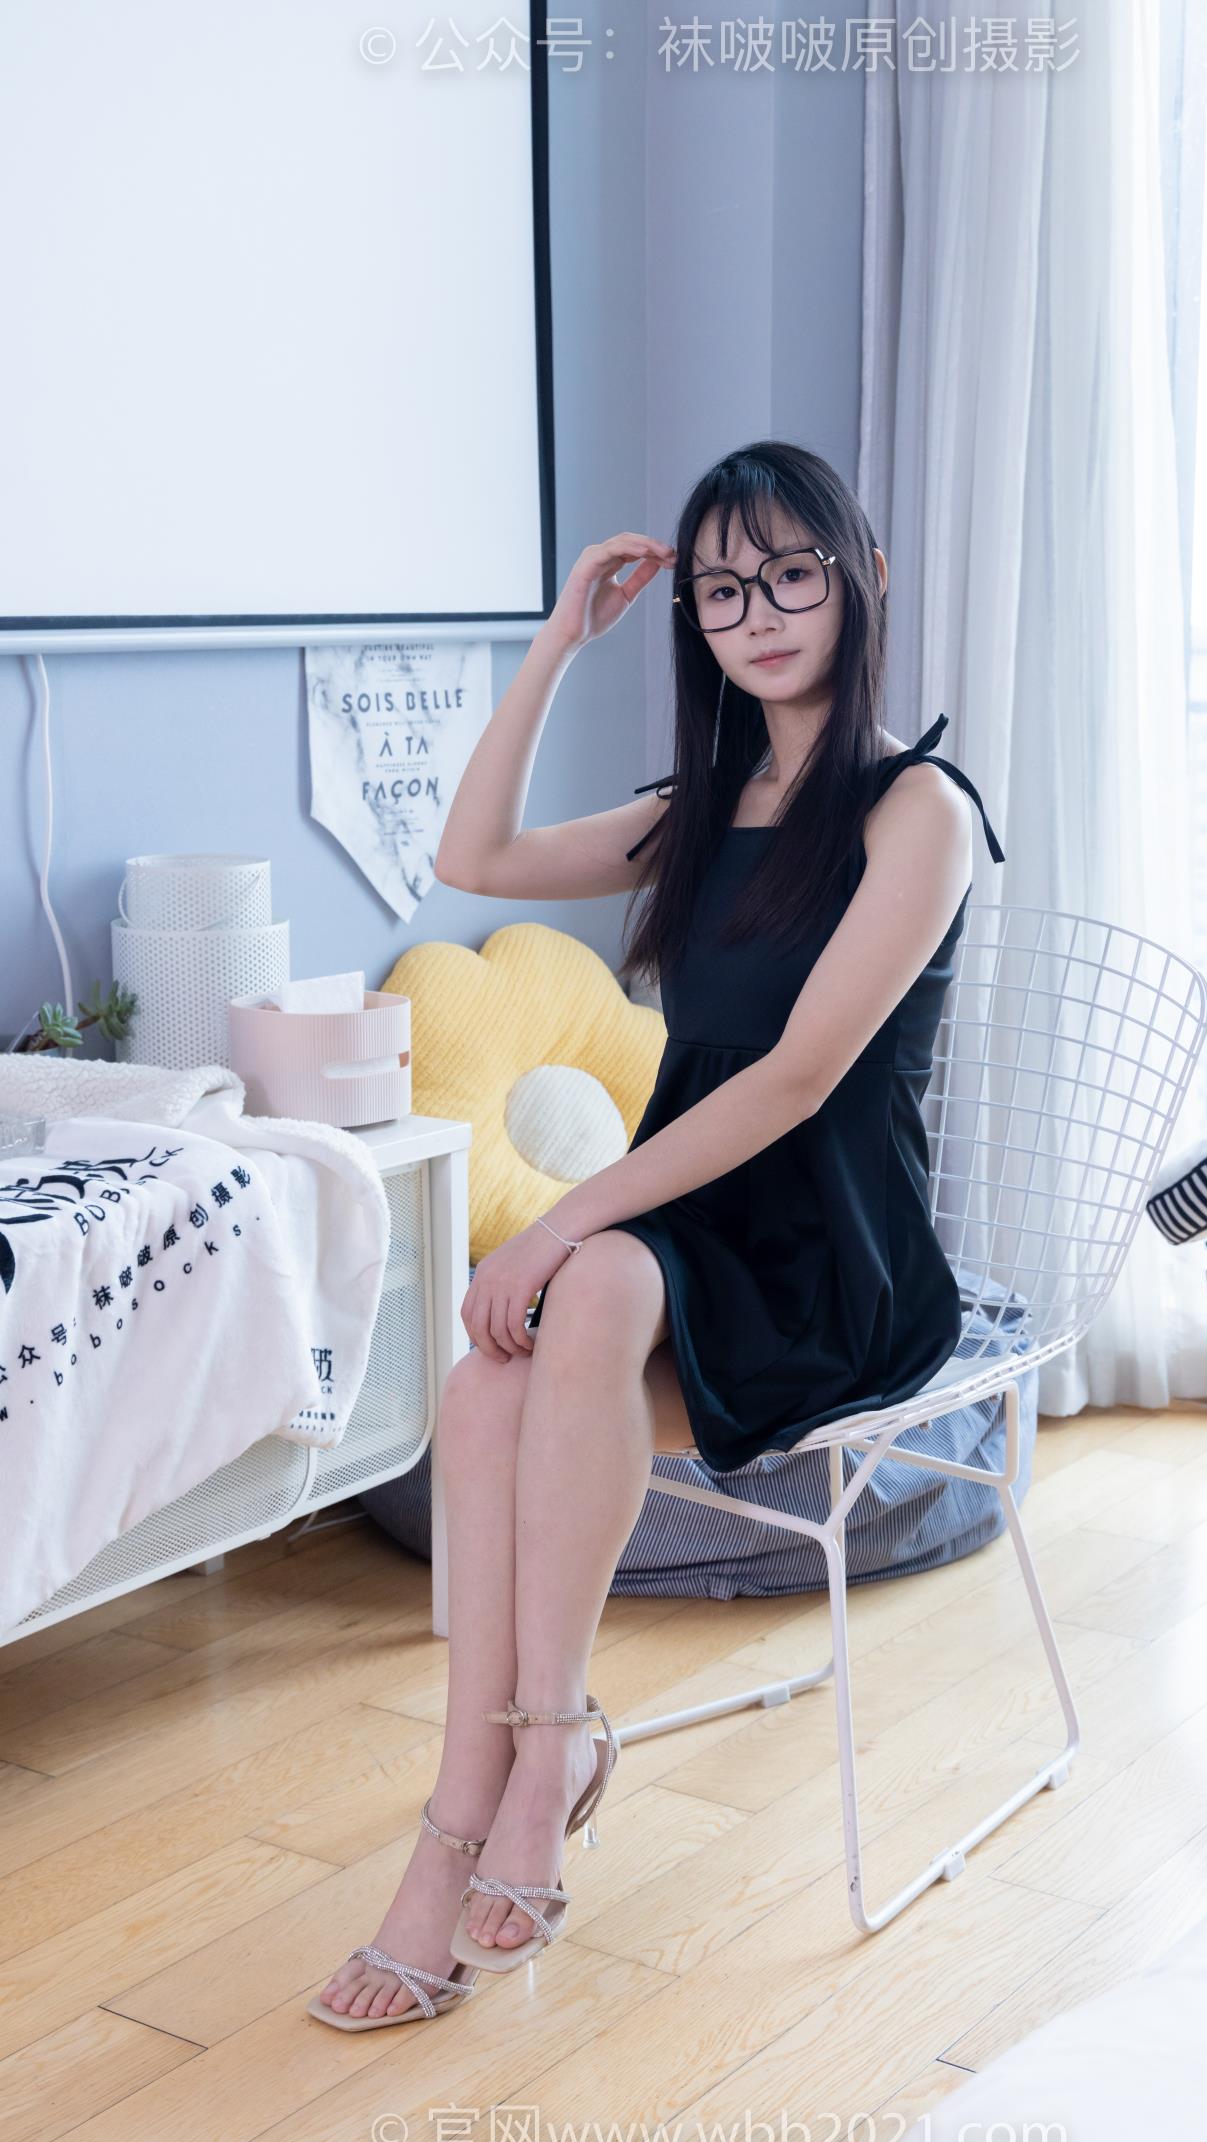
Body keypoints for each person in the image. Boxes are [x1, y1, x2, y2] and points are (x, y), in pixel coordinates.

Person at [309, 440, 1004, 2028]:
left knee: (588, 1278)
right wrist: (558, 642)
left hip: (834, 1257)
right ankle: (500, 1770)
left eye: (790, 574)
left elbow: (801, 1076)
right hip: (683, 1231)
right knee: (489, 1377)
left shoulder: (919, 810)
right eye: (722, 590)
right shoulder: (701, 810)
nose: (758, 614)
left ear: (862, 578)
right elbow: (470, 859)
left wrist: (552, 1225)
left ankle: (527, 1768)